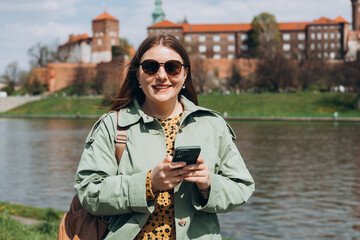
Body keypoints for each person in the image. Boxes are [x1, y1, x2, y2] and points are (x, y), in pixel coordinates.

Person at [74, 33, 254, 240]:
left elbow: (242, 187)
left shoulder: (212, 125)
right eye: (151, 67)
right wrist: (148, 183)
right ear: (138, 74)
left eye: (172, 67)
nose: (161, 75)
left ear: (185, 74)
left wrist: (208, 184)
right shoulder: (112, 126)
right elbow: (89, 191)